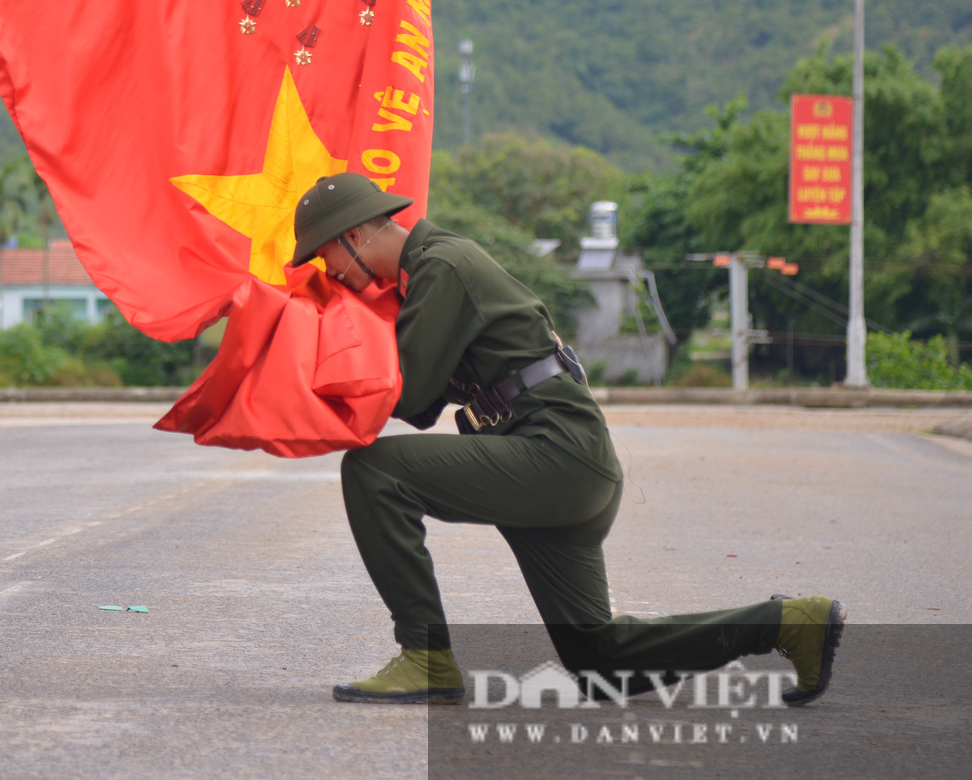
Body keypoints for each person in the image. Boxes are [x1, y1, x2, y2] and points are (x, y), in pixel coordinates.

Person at [286, 173, 845, 706]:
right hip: (562, 459)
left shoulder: (442, 266)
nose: (327, 272)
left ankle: (424, 656)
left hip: (555, 453)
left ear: (353, 235)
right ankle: (791, 622)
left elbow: (405, 398)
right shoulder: (427, 274)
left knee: (374, 469)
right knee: (598, 661)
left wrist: (299, 368)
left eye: (324, 256)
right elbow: (427, 407)